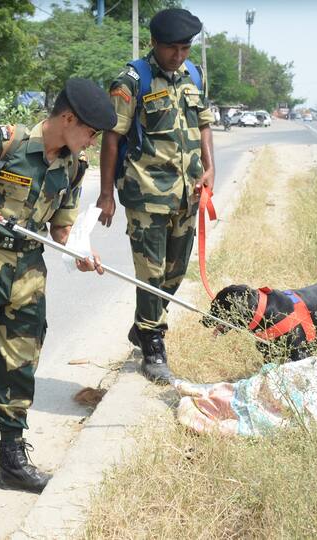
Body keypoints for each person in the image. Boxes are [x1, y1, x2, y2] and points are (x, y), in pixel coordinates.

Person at [0, 78, 116, 525]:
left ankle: (12, 461)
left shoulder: (74, 165)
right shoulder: (7, 142)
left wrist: (81, 255)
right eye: (91, 130)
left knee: (20, 367)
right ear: (68, 119)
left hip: (29, 273)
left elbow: (62, 230)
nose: (93, 140)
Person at [96, 8, 216, 383]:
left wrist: (210, 168)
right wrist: (106, 194)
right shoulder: (132, 80)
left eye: (185, 48)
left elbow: (205, 123)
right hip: (145, 193)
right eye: (172, 49)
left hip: (188, 193)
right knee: (150, 273)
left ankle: (143, 325)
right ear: (154, 44)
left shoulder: (193, 75)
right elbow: (112, 137)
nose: (179, 55)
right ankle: (153, 345)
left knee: (175, 272)